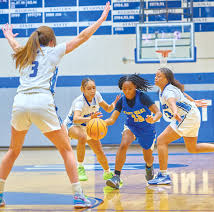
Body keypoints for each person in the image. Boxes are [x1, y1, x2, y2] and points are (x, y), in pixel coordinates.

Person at [0, 1, 110, 208]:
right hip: (42, 101)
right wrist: (101, 19)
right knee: (66, 149)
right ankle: (78, 196)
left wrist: (8, 35)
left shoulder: (25, 53)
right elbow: (82, 36)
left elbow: (15, 46)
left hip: (20, 101)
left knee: (13, 150)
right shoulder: (52, 51)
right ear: (51, 42)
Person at [148, 67, 214, 185]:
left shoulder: (168, 91)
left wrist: (174, 111)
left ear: (166, 79)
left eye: (159, 76)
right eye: (155, 75)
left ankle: (164, 175)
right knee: (192, 148)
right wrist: (193, 102)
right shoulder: (166, 89)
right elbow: (183, 94)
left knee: (161, 141)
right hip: (191, 115)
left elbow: (172, 101)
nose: (156, 78)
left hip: (186, 117)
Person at [104, 74, 163, 189]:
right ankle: (116, 177)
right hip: (131, 126)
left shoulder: (142, 97)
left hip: (147, 128)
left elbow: (158, 112)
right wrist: (102, 122)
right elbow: (112, 119)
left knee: (148, 158)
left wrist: (154, 119)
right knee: (123, 145)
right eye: (124, 89)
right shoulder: (121, 101)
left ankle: (149, 167)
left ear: (135, 87)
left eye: (129, 88)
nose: (127, 91)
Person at [64, 78, 120, 181]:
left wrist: (113, 105)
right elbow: (76, 119)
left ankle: (107, 173)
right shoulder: (79, 102)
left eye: (94, 88)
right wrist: (90, 118)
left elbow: (107, 109)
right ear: (82, 89)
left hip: (88, 126)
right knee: (82, 136)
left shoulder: (97, 96)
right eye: (89, 88)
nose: (92, 91)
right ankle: (80, 167)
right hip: (72, 125)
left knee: (99, 151)